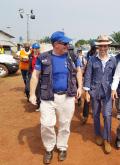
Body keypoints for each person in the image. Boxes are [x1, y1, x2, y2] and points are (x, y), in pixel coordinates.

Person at [29, 31, 82, 164]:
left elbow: (79, 71)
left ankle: (62, 147)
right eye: (64, 43)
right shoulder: (43, 57)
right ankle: (49, 148)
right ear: (55, 44)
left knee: (64, 124)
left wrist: (80, 86)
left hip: (67, 97)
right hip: (48, 97)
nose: (67, 45)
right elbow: (35, 75)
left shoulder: (72, 57)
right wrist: (32, 94)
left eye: (67, 43)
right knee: (46, 124)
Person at [84, 35, 116, 154]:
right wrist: (86, 92)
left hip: (107, 92)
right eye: (101, 46)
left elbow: (115, 76)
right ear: (98, 46)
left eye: (105, 45)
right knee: (96, 114)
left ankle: (107, 139)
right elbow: (88, 75)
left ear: (108, 46)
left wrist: (114, 89)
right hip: (95, 91)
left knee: (107, 115)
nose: (103, 48)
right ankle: (98, 134)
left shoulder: (113, 60)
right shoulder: (92, 59)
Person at [81, 44, 98, 124]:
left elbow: (86, 64)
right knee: (94, 97)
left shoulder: (88, 54)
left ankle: (85, 115)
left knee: (87, 98)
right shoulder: (95, 55)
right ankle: (92, 113)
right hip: (93, 78)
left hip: (89, 77)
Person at [27, 43, 41, 111]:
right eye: (35, 48)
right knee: (27, 89)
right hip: (30, 74)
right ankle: (30, 97)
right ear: (32, 49)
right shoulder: (30, 56)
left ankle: (39, 105)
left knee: (38, 90)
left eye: (37, 48)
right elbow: (29, 65)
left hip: (38, 75)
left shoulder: (41, 56)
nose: (36, 50)